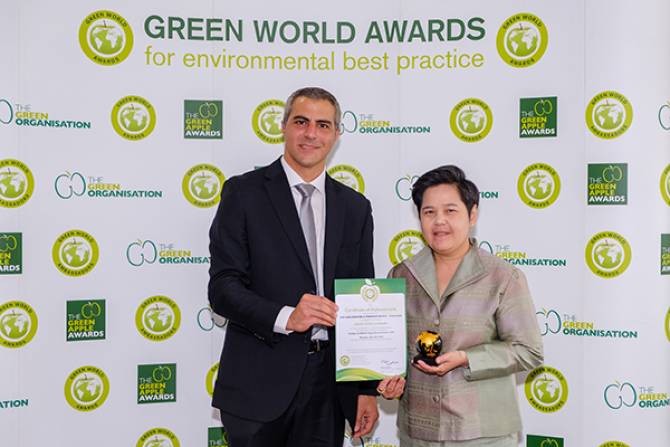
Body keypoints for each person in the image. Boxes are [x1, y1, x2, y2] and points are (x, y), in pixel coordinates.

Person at [208, 87, 379, 447]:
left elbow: (362, 302)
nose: (311, 133)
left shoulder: (355, 208)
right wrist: (287, 317)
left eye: (323, 125)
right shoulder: (243, 193)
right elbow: (223, 288)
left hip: (327, 390)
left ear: (336, 134)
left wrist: (365, 388)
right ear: (283, 126)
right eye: (301, 122)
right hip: (257, 384)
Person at [377, 165, 544, 447]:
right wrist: (391, 381)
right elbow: (393, 349)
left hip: (483, 434)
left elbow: (529, 351)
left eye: (450, 210)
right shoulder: (401, 275)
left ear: (472, 214)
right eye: (429, 212)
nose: (439, 221)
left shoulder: (503, 277)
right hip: (419, 431)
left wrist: (468, 358)